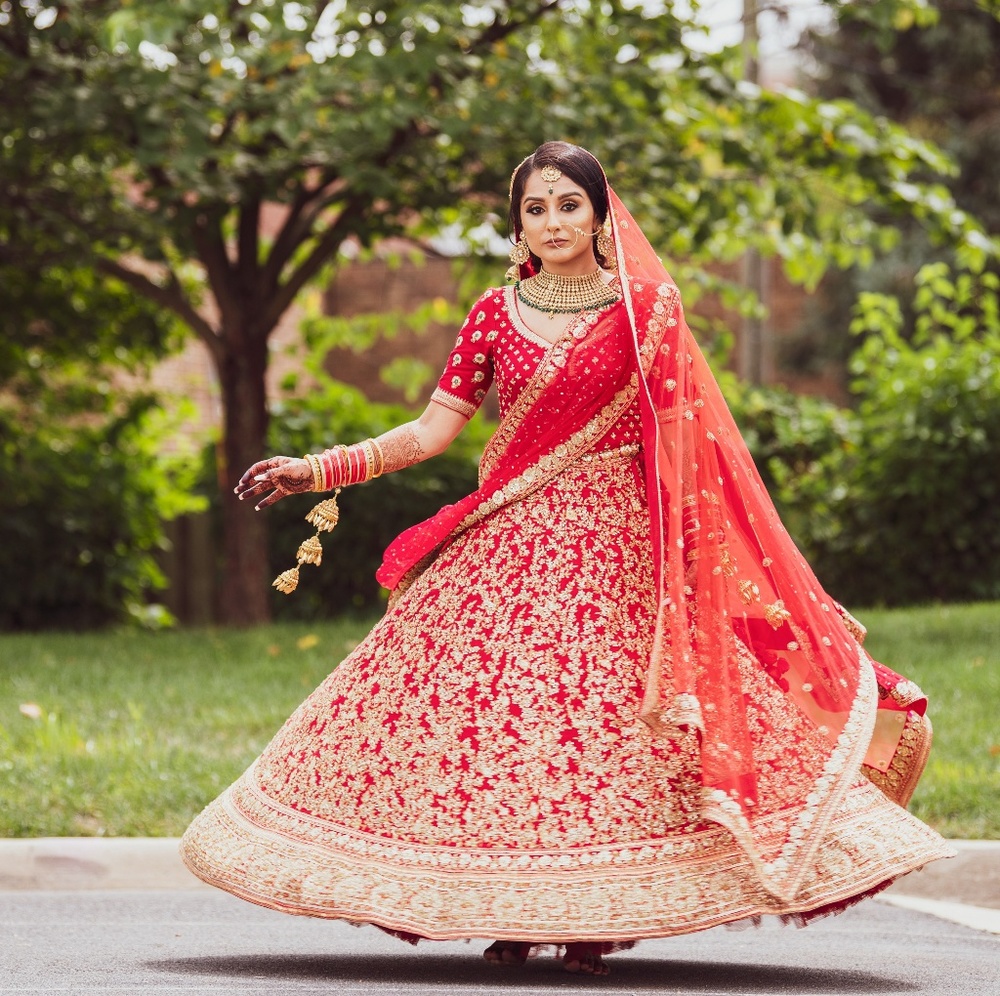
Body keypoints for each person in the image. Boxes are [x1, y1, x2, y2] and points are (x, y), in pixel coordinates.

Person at [180, 142, 953, 977]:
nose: (552, 222)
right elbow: (432, 433)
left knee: (603, 726)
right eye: (534, 210)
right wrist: (320, 468)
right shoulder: (492, 311)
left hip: (616, 549)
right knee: (500, 728)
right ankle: (516, 905)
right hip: (507, 544)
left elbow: (690, 446)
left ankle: (594, 915)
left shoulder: (647, 310)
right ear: (518, 227)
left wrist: (688, 564)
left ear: (599, 213)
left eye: (567, 205)